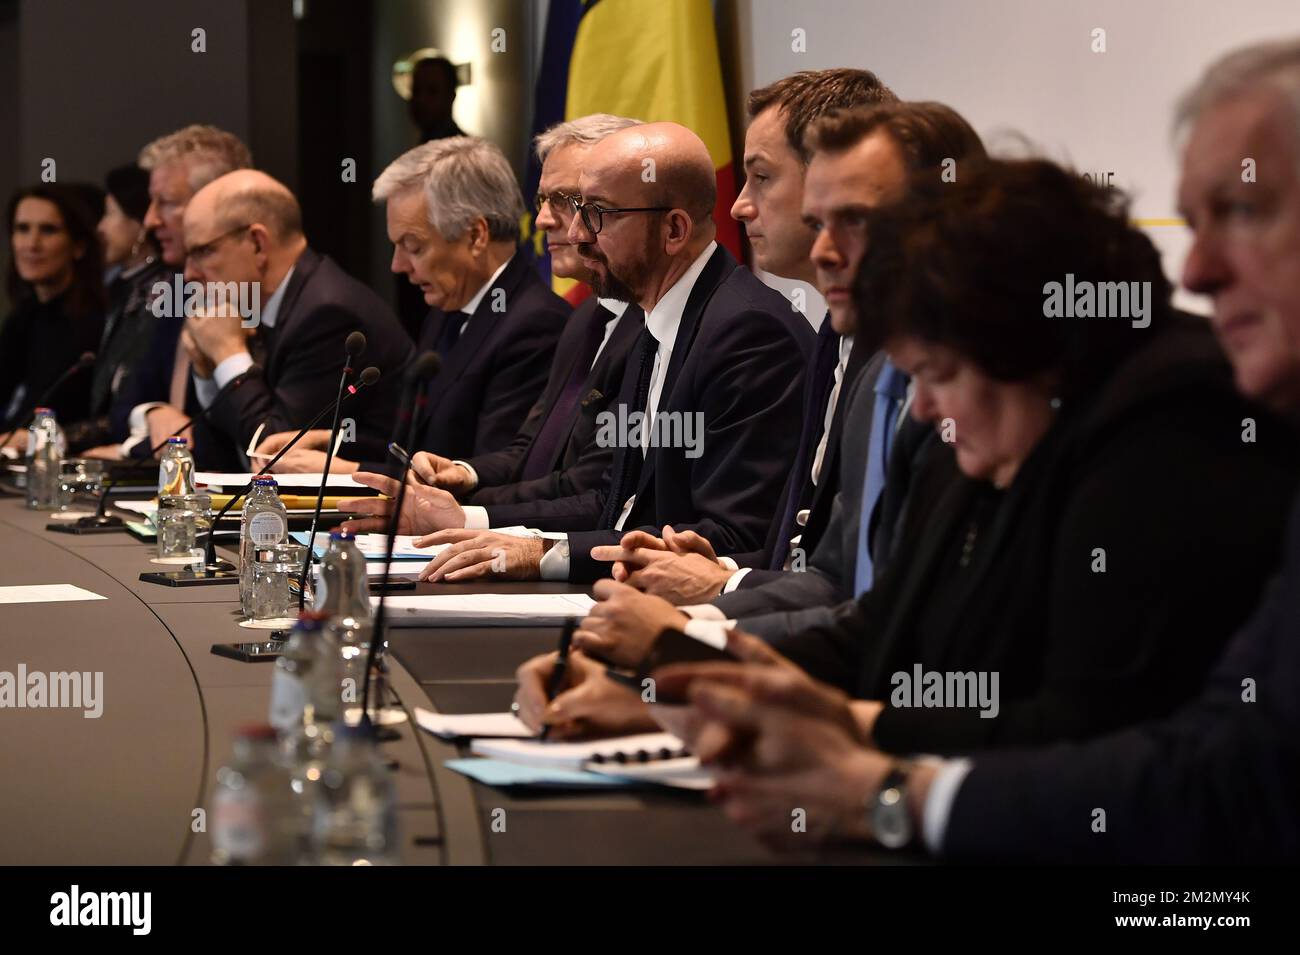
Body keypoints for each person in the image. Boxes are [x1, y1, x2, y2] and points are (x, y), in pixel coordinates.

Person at [655, 38, 1300, 863]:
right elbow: (889, 631)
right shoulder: (986, 419)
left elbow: (1162, 757)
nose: (1200, 270)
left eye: (1242, 211)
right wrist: (695, 674)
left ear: (1023, 339)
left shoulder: (1173, 412)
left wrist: (875, 778)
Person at [518, 157, 1297, 754]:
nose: (921, 407)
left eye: (938, 374)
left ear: (1041, 352)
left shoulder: (1165, 434)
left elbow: (1080, 730)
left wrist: (863, 760)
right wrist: (671, 689)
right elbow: (879, 634)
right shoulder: (976, 440)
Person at [353, 122, 814, 585]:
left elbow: (735, 536)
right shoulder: (653, 319)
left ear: (674, 229)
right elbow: (615, 499)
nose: (575, 234)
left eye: (595, 214)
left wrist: (544, 554)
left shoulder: (748, 333)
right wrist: (492, 531)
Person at [597, 101, 984, 621]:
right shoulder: (869, 369)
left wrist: (704, 615)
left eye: (854, 220)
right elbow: (840, 580)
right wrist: (702, 616)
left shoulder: (765, 330)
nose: (826, 249)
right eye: (818, 222)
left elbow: (879, 615)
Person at [257, 136, 568, 473]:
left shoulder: (536, 325)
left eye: (413, 246)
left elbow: (490, 472)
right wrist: (335, 443)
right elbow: (418, 447)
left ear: (476, 236)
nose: (397, 265)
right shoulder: (447, 309)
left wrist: (351, 472)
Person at [174, 169, 414, 470]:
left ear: (257, 244)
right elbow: (219, 460)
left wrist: (227, 354)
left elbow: (273, 457)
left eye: (203, 251)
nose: (190, 273)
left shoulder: (329, 314)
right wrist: (209, 373)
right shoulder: (271, 305)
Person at [109, 124, 253, 460]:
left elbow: (242, 444)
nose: (149, 220)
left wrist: (132, 448)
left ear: (218, 201)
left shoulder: (256, 296)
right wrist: (153, 412)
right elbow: (122, 408)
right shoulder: (178, 290)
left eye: (166, 203)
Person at [66, 164, 167, 455]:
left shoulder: (164, 297)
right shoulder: (123, 291)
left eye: (110, 213)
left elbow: (133, 399)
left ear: (139, 223)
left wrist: (63, 436)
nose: (100, 227)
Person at [0, 185, 105, 444]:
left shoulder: (97, 321)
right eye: (22, 229)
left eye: (48, 230)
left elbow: (106, 420)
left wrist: (35, 439)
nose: (32, 244)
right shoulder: (23, 316)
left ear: (78, 246)